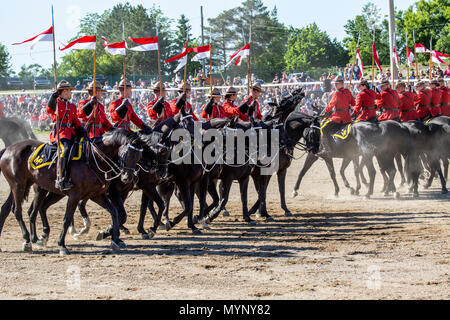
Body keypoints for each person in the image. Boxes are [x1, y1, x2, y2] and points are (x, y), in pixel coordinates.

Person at [46, 80, 86, 191]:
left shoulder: (72, 106)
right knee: (65, 150)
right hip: (60, 133)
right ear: (63, 91)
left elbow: (75, 120)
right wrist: (52, 98)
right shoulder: (56, 103)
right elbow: (49, 110)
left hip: (71, 133)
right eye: (69, 91)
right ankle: (60, 178)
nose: (71, 93)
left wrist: (81, 129)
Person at [318, 76, 355, 157]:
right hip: (348, 118)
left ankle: (327, 150)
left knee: (323, 128)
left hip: (338, 117)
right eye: (335, 84)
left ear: (340, 84)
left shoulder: (337, 93)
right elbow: (353, 103)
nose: (335, 85)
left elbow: (331, 105)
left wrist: (324, 112)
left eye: (336, 84)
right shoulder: (348, 91)